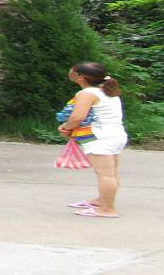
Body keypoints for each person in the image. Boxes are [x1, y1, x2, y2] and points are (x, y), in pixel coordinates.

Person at [59, 61, 128, 218]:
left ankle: (107, 209)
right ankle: (102, 201)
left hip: (100, 137)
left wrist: (67, 127)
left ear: (80, 77)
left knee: (105, 175)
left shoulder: (87, 93)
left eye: (72, 70)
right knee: (111, 173)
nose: (69, 71)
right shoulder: (106, 89)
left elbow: (77, 117)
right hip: (116, 135)